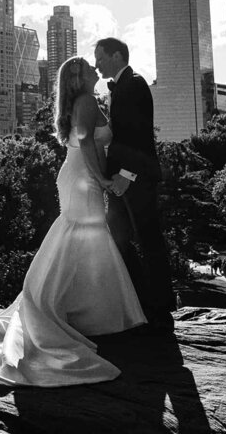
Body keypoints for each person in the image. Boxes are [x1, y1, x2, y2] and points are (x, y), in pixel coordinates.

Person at [0, 57, 145, 386]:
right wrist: (101, 178)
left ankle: (71, 307)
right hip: (83, 176)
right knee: (82, 233)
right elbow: (88, 142)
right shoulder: (87, 101)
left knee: (81, 234)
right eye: (88, 67)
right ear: (78, 77)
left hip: (76, 173)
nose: (93, 69)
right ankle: (61, 307)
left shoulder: (84, 100)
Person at [94, 36, 176, 332]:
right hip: (119, 179)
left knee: (148, 238)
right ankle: (138, 299)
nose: (97, 64)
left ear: (116, 56)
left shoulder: (135, 84)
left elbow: (139, 136)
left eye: (100, 58)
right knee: (119, 238)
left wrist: (126, 175)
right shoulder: (120, 87)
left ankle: (161, 304)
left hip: (134, 178)